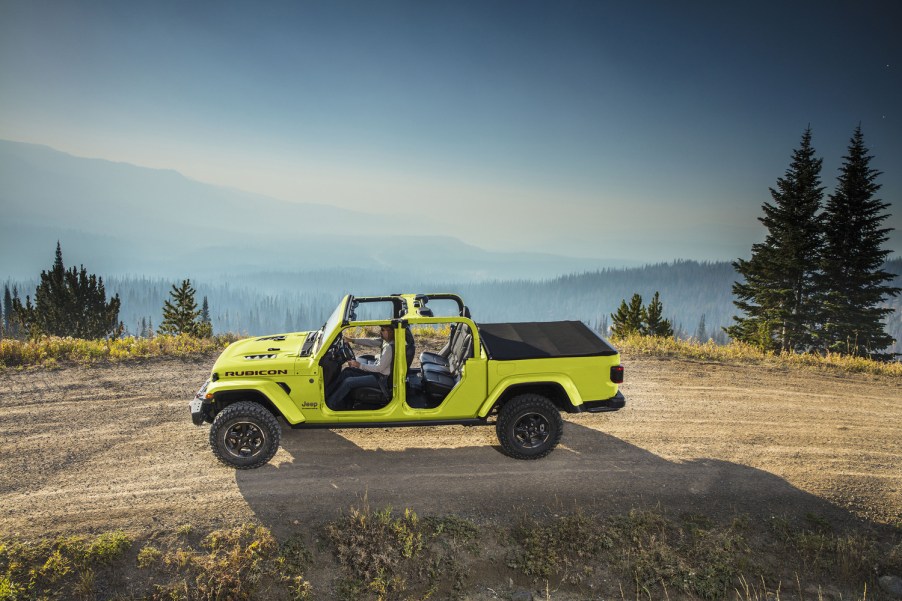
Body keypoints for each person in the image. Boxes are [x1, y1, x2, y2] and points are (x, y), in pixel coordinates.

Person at [326, 325, 395, 410]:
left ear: (390, 332)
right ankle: (328, 394)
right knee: (347, 371)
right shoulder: (386, 342)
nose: (380, 331)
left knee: (348, 382)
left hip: (381, 379)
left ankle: (330, 405)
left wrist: (358, 365)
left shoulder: (389, 348)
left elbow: (379, 368)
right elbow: (370, 342)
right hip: (378, 374)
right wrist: (351, 340)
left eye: (383, 330)